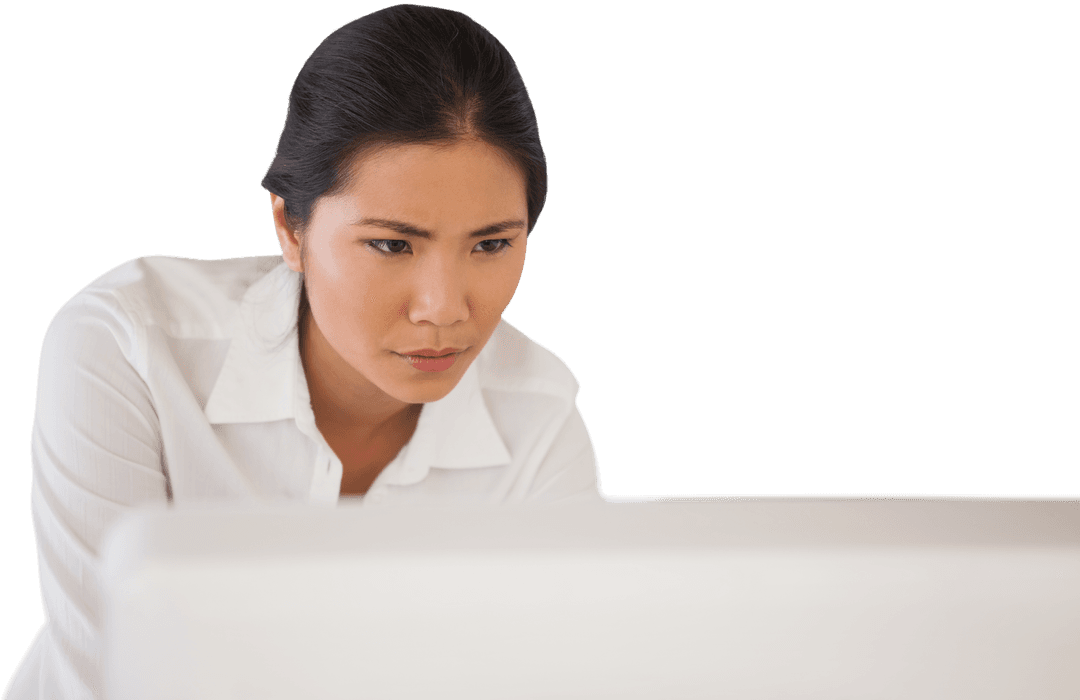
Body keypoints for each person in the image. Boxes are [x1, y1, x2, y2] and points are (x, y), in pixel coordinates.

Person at [3, 5, 604, 698]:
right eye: (392, 244)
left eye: (491, 245)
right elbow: (113, 679)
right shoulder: (128, 348)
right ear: (291, 227)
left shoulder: (538, 420)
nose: (443, 306)